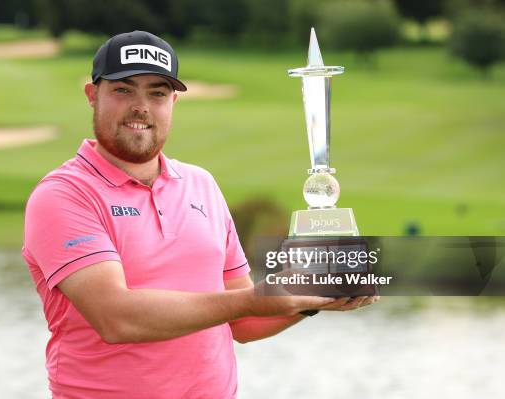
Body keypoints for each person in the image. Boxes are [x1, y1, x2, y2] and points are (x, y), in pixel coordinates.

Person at [22, 30, 378, 399]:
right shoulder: (64, 194)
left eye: (157, 93)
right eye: (124, 90)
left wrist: (311, 298)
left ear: (173, 101)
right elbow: (116, 316)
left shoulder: (200, 184)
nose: (141, 106)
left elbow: (240, 320)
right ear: (92, 95)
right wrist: (257, 298)